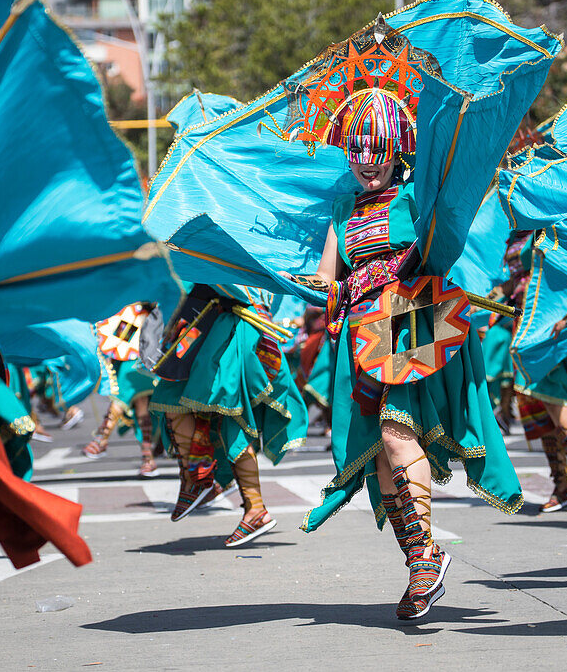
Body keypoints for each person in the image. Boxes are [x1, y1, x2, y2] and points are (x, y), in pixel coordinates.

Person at [289, 90, 523, 621]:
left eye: (378, 147)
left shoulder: (419, 194)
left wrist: (404, 264)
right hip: (362, 335)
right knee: (380, 456)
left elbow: (443, 240)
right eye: (357, 148)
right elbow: (329, 275)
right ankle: (423, 560)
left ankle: (424, 561)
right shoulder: (343, 206)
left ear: (398, 148)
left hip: (413, 321)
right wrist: (292, 280)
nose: (367, 160)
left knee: (397, 433)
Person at [149, 284, 307, 546]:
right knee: (172, 397)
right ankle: (198, 475)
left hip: (237, 329)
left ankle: (253, 508)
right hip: (213, 325)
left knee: (231, 416)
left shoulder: (248, 250)